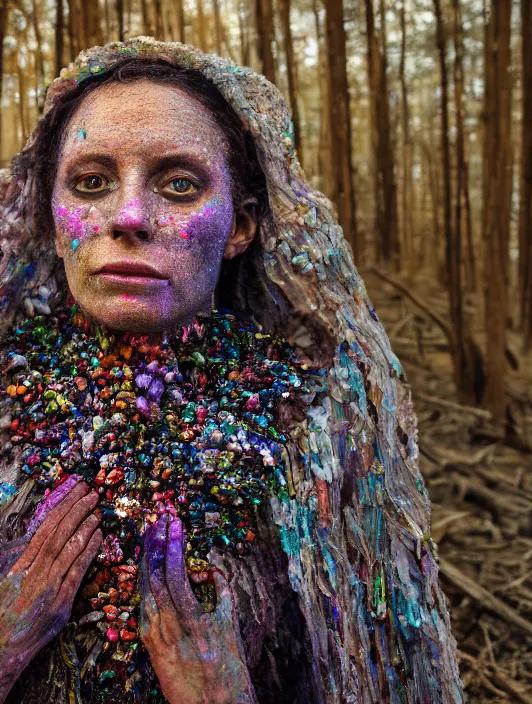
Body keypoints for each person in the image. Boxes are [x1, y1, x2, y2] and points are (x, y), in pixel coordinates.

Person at [0, 38, 463, 704]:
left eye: (179, 184)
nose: (128, 216)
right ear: (51, 209)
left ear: (240, 227)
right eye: (91, 182)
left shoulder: (313, 414)